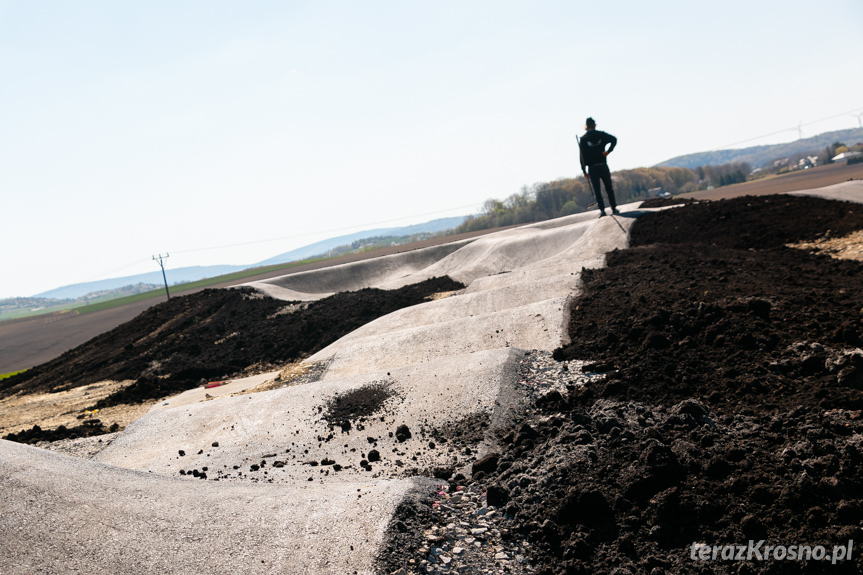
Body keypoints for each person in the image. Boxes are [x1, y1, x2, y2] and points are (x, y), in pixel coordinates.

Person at [579, 117, 618, 217]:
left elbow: (581, 157)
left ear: (586, 126)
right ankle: (614, 208)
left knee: (597, 190)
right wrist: (608, 151)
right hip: (603, 165)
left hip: (592, 168)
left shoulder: (583, 139)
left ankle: (602, 211)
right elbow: (614, 139)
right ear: (594, 125)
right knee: (609, 188)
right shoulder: (601, 135)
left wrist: (584, 172)